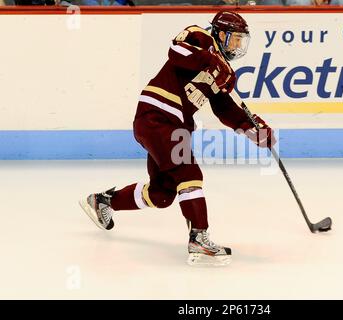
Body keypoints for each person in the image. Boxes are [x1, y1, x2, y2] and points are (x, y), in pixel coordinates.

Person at [79, 11, 276, 267]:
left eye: (241, 42)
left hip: (170, 125)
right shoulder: (200, 36)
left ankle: (102, 201)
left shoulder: (221, 71)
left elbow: (224, 107)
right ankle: (199, 237)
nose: (237, 47)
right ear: (220, 33)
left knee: (162, 194)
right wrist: (212, 61)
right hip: (157, 115)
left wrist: (252, 128)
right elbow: (177, 52)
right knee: (188, 173)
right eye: (234, 40)